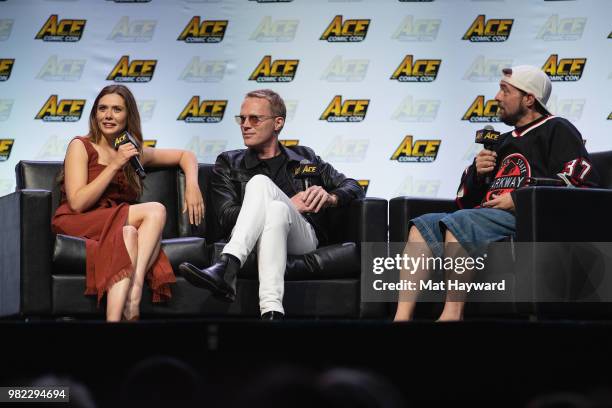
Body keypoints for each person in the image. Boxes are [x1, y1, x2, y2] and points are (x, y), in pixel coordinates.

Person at [393, 65, 599, 322]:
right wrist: (477, 175)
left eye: (505, 90)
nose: (497, 97)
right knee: (423, 225)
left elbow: (579, 181)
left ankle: (451, 315)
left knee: (461, 222)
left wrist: (519, 198)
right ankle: (401, 319)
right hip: (484, 217)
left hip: (526, 221)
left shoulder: (557, 128)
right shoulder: (500, 142)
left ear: (529, 98)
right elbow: (463, 201)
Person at [179, 89, 364, 319]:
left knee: (262, 187)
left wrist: (331, 197)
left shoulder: (305, 158)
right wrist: (288, 205)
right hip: (251, 238)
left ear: (278, 123)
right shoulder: (228, 162)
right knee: (275, 207)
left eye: (254, 118)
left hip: (301, 237)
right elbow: (226, 217)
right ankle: (272, 310)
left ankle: (227, 268)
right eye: (242, 118)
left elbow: (354, 186)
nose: (245, 125)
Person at [52, 85, 204, 322]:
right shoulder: (80, 146)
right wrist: (114, 164)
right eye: (102, 108)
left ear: (128, 116)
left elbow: (186, 155)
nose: (108, 115)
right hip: (79, 221)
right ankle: (135, 289)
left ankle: (115, 321)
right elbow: (78, 202)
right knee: (156, 210)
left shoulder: (133, 152)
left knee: (130, 233)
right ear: (94, 114)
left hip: (116, 223)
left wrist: (192, 186)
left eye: (116, 109)